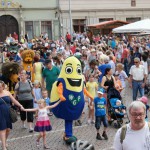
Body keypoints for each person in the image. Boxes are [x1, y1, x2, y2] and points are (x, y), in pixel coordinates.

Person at [0, 80, 24, 150]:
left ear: (3, 87)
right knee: (2, 129)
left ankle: (4, 141)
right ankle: (4, 147)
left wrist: (20, 105)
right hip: (0, 113)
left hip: (8, 113)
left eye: (0, 87)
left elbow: (14, 100)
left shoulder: (7, 93)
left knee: (8, 129)